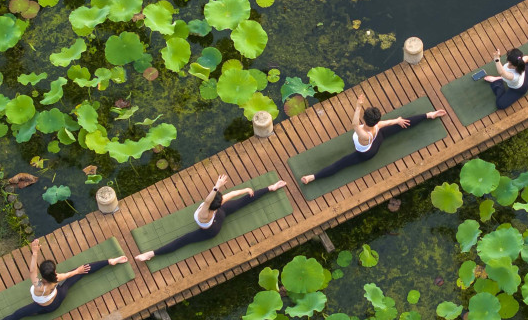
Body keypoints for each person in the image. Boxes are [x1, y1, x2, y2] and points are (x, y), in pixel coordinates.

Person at [0, 239, 128, 320]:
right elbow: (70, 274)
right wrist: (77, 271)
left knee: (19, 314)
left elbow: (32, 271)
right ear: (52, 272)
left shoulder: (39, 286)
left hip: (50, 305)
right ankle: (110, 261)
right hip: (58, 296)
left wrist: (35, 253)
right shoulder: (56, 278)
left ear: (43, 275)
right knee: (80, 271)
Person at [135, 174, 288, 261]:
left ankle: (151, 254)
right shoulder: (217, 205)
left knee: (183, 240)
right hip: (218, 217)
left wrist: (217, 185)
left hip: (212, 229)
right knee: (242, 202)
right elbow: (232, 195)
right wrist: (244, 189)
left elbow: (211, 198)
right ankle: (271, 188)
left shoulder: (204, 212)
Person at [300, 94, 447, 184]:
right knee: (401, 123)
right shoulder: (377, 125)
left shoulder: (363, 135)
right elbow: (386, 123)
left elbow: (354, 124)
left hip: (367, 153)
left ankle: (313, 177)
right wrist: (396, 120)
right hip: (378, 136)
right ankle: (429, 115)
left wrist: (358, 106)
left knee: (340, 164)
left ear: (364, 119)